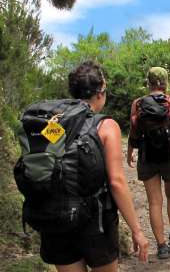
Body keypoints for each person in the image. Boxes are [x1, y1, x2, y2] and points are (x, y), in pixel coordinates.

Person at [41, 61, 150, 271]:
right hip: (95, 222)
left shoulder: (53, 124)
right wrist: (137, 230)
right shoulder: (106, 126)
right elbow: (117, 182)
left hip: (56, 219)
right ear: (100, 92)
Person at [128, 67, 170, 260]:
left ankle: (162, 246)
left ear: (148, 82)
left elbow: (133, 131)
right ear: (165, 82)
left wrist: (130, 152)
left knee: (154, 202)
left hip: (147, 158)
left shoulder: (137, 104)